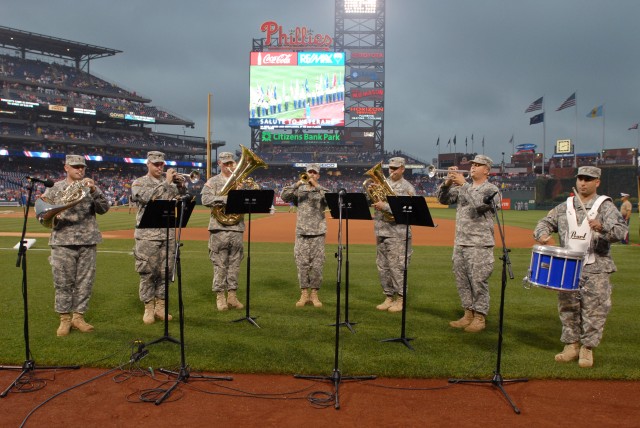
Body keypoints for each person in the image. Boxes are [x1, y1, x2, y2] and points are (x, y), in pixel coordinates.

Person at [533, 166, 627, 368]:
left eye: (588, 179)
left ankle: (587, 348)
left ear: (597, 182)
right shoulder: (565, 206)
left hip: (596, 266)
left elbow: (620, 232)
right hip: (568, 267)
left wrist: (602, 228)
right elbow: (543, 223)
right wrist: (542, 235)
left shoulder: (605, 206)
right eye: (580, 179)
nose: (583, 183)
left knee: (595, 310)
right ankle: (571, 345)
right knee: (568, 308)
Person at [42, 154, 110, 336]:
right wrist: (53, 214)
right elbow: (42, 213)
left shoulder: (90, 188)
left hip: (88, 240)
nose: (80, 170)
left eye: (82, 167)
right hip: (62, 241)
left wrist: (95, 190)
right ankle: (65, 319)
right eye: (75, 167)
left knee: (85, 282)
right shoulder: (55, 188)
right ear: (66, 168)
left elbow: (104, 208)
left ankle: (78, 317)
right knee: (62, 282)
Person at [436, 154, 499, 333]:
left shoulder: (492, 189)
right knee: (462, 281)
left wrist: (463, 184)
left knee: (478, 281)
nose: (473, 167)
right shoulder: (465, 187)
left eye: (478, 165)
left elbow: (480, 205)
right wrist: (447, 183)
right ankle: (468, 313)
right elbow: (442, 199)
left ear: (487, 170)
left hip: (480, 244)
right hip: (461, 242)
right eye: (472, 164)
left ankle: (480, 316)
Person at [131, 151, 186, 324]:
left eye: (161, 164)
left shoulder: (170, 184)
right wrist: (167, 182)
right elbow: (147, 198)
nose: (159, 167)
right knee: (147, 272)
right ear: (148, 164)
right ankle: (148, 308)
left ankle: (161, 307)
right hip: (147, 235)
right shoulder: (139, 182)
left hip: (168, 234)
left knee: (165, 272)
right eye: (156, 164)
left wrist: (181, 186)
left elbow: (180, 201)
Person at [368, 157, 416, 313]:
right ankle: (388, 296)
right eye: (390, 168)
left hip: (398, 234)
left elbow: (409, 210)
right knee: (383, 267)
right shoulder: (383, 183)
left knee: (397, 268)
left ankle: (400, 299)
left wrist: (385, 207)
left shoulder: (407, 188)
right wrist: (373, 193)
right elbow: (374, 202)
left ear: (403, 168)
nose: (392, 171)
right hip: (381, 231)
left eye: (395, 168)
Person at [201, 152, 245, 311]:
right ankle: (220, 296)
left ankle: (232, 296)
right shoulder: (213, 181)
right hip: (219, 228)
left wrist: (242, 193)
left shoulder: (239, 181)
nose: (229, 166)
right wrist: (226, 198)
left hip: (237, 228)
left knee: (235, 264)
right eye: (226, 163)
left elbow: (246, 202)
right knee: (219, 264)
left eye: (231, 163)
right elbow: (205, 200)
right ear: (219, 163)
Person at [280, 163, 329, 307]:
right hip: (301, 232)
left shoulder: (322, 190)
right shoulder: (299, 189)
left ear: (318, 175)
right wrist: (298, 183)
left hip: (318, 232)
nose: (312, 175)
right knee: (302, 264)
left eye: (314, 173)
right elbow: (284, 196)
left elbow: (330, 200)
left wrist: (316, 186)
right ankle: (304, 294)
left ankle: (314, 294)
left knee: (317, 265)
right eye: (310, 172)